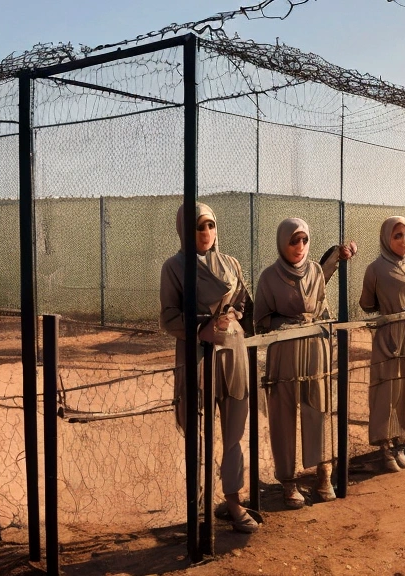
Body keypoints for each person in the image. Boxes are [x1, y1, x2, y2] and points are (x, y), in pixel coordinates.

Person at [159, 202, 259, 533]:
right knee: (198, 434)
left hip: (233, 353)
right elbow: (168, 316)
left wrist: (232, 317)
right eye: (199, 227)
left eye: (210, 226)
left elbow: (243, 302)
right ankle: (198, 510)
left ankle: (233, 502)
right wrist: (201, 327)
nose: (206, 233)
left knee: (234, 433)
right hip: (197, 354)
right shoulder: (174, 267)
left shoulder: (230, 263)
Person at [254, 219, 354, 509]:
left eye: (304, 241)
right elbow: (260, 320)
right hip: (284, 350)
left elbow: (322, 304)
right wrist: (288, 324)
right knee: (283, 415)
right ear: (282, 242)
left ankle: (323, 475)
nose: (299, 247)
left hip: (315, 348)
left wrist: (340, 254)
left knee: (318, 408)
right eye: (293, 241)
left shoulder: (315, 272)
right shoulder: (269, 277)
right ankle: (288, 482)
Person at [358, 216, 405, 472]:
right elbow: (366, 304)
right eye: (397, 236)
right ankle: (385, 448)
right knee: (387, 389)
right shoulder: (375, 268)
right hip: (390, 337)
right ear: (386, 238)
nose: (404, 241)